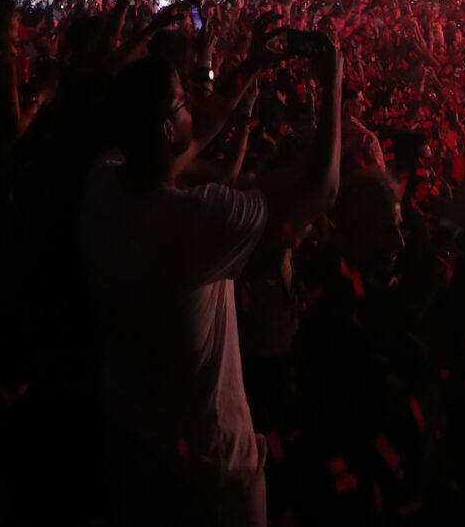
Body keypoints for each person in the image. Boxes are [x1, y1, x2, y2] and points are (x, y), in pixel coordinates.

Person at [79, 26, 343, 527]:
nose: (192, 110)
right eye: (183, 103)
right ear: (165, 129)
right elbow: (320, 192)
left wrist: (249, 69)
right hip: (207, 475)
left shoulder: (104, 181)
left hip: (133, 454)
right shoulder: (193, 223)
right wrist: (332, 86)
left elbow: (190, 139)